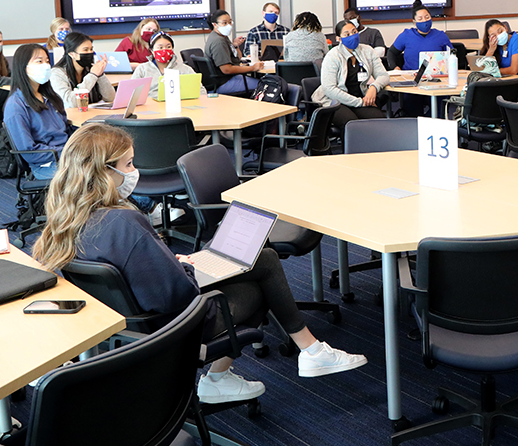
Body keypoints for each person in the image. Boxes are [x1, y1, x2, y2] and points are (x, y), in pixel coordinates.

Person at [32, 124, 367, 404]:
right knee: (262, 270)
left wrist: (169, 259)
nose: (134, 173)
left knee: (259, 260)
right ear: (105, 172)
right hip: (174, 326)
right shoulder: (124, 223)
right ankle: (292, 357)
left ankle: (304, 352)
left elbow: (133, 271)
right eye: (129, 164)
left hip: (125, 329)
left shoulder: (65, 218)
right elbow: (178, 295)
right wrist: (190, 268)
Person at [4, 45, 73, 181]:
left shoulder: (51, 98)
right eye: (39, 61)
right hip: (46, 163)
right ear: (23, 67)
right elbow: (28, 151)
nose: (46, 65)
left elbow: (66, 130)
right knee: (91, 174)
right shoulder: (16, 105)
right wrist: (67, 153)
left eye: (47, 61)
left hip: (67, 156)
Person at [313, 20, 390, 128]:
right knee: (351, 124)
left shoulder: (368, 51)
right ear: (338, 39)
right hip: (335, 101)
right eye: (347, 34)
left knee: (379, 121)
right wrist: (359, 102)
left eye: (354, 32)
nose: (352, 36)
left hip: (360, 98)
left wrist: (373, 88)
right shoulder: (333, 56)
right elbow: (329, 89)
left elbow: (384, 76)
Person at [205, 10, 261, 95]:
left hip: (225, 80)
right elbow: (226, 69)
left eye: (230, 22)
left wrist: (235, 46)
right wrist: (253, 68)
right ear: (215, 25)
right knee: (266, 85)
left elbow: (238, 58)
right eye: (224, 23)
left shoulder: (222, 37)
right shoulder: (218, 42)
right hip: (224, 82)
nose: (229, 25)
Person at [50, 32, 113, 109]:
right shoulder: (57, 73)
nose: (90, 52)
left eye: (91, 49)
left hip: (92, 114)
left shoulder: (89, 68)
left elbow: (111, 98)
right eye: (85, 50)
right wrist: (93, 76)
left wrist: (100, 74)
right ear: (72, 54)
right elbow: (70, 102)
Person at [391, 0, 452, 71]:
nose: (424, 21)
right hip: (410, 76)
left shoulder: (441, 35)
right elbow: (391, 53)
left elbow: (452, 56)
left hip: (436, 76)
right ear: (414, 22)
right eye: (420, 19)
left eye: (427, 17)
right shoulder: (406, 35)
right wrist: (395, 67)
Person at [130, 32, 195, 94]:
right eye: (160, 47)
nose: (164, 50)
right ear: (152, 50)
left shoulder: (185, 69)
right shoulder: (142, 69)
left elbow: (199, 90)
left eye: (168, 47)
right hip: (151, 104)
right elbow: (132, 92)